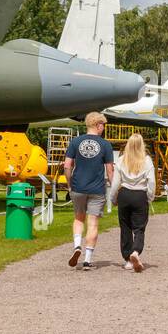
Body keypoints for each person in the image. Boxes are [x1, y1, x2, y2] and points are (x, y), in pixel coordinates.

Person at [62, 112, 114, 271]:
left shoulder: (75, 142)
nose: (104, 128)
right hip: (97, 189)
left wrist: (70, 184)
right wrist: (114, 189)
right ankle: (87, 260)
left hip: (78, 187)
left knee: (78, 219)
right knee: (93, 223)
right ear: (98, 125)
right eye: (103, 125)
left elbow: (67, 166)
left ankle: (77, 246)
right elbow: (110, 170)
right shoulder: (105, 145)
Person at [109, 133, 156, 271]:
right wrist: (150, 197)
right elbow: (151, 181)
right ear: (142, 145)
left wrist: (113, 198)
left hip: (124, 194)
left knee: (125, 228)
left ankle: (128, 260)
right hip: (140, 195)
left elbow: (116, 182)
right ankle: (136, 251)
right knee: (139, 228)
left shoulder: (121, 159)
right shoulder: (147, 160)